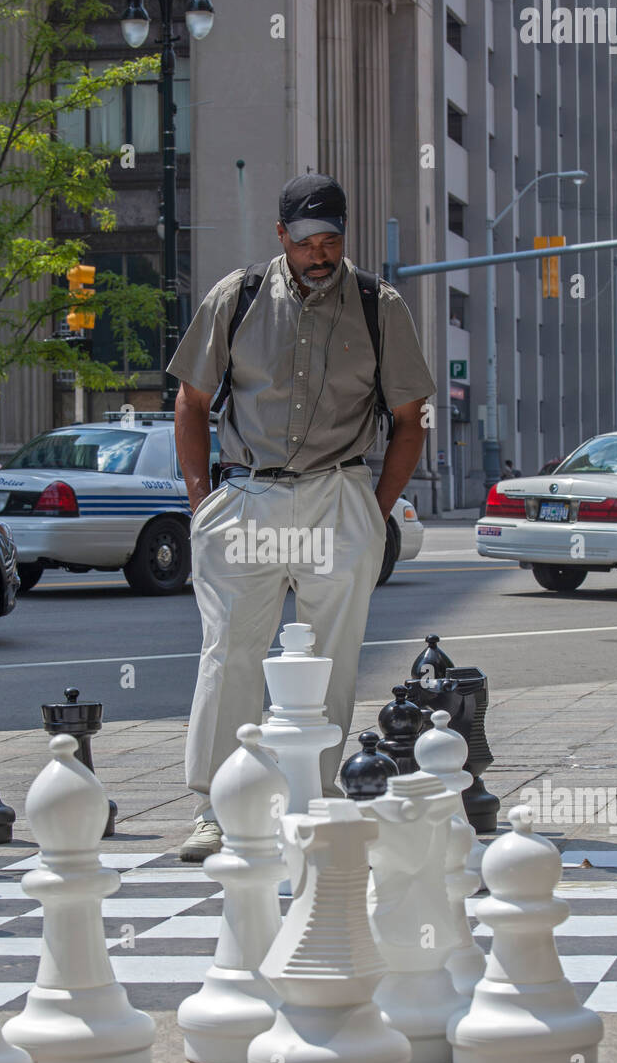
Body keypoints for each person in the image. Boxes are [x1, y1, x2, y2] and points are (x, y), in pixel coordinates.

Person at [168, 173, 435, 861]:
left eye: (333, 239)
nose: (320, 253)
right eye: (307, 240)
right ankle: (217, 808)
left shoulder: (381, 305)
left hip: (338, 497)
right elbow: (191, 403)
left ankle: (311, 801)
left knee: (328, 662)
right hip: (248, 498)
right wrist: (202, 506)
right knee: (230, 653)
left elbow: (411, 420)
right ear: (280, 236)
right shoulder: (239, 296)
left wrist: (372, 515)